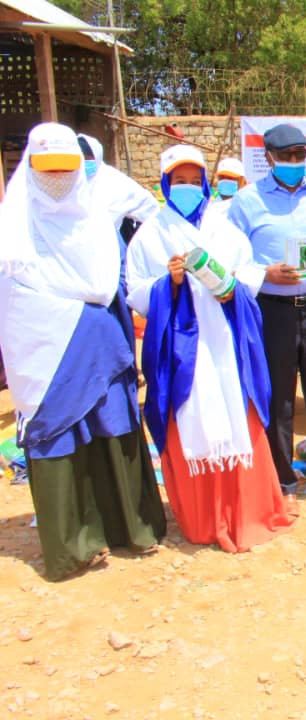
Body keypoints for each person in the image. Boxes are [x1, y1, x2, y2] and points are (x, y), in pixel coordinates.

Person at [0, 122, 166, 580]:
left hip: (101, 339)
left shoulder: (93, 215)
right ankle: (73, 546)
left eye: (66, 169)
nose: (57, 179)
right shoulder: (15, 225)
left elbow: (106, 281)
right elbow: (13, 296)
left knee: (114, 427)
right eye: (47, 169)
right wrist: (61, 311)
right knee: (60, 433)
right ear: (30, 169)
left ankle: (129, 529)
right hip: (49, 349)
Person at [126, 145, 294, 551]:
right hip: (183, 351)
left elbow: (247, 272)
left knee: (238, 416)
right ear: (166, 185)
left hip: (226, 343)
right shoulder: (150, 234)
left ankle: (245, 513)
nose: (186, 188)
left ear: (205, 183)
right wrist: (171, 284)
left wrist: (232, 290)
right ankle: (203, 519)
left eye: (192, 181)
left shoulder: (224, 228)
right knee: (190, 418)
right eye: (178, 182)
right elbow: (135, 292)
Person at [228, 124, 306, 516]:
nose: (295, 163)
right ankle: (285, 482)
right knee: (278, 401)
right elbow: (232, 259)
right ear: (269, 158)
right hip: (271, 312)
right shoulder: (246, 202)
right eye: (287, 156)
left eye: (300, 156)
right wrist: (264, 273)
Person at [76, 132, 159, 239]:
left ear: (97, 157)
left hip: (140, 227)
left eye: (88, 158)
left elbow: (105, 221)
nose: (85, 162)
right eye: (81, 158)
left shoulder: (112, 181)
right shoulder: (80, 179)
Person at [203, 157, 246, 224]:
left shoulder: (246, 207)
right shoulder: (209, 206)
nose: (225, 180)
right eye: (222, 177)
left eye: (230, 178)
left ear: (241, 180)